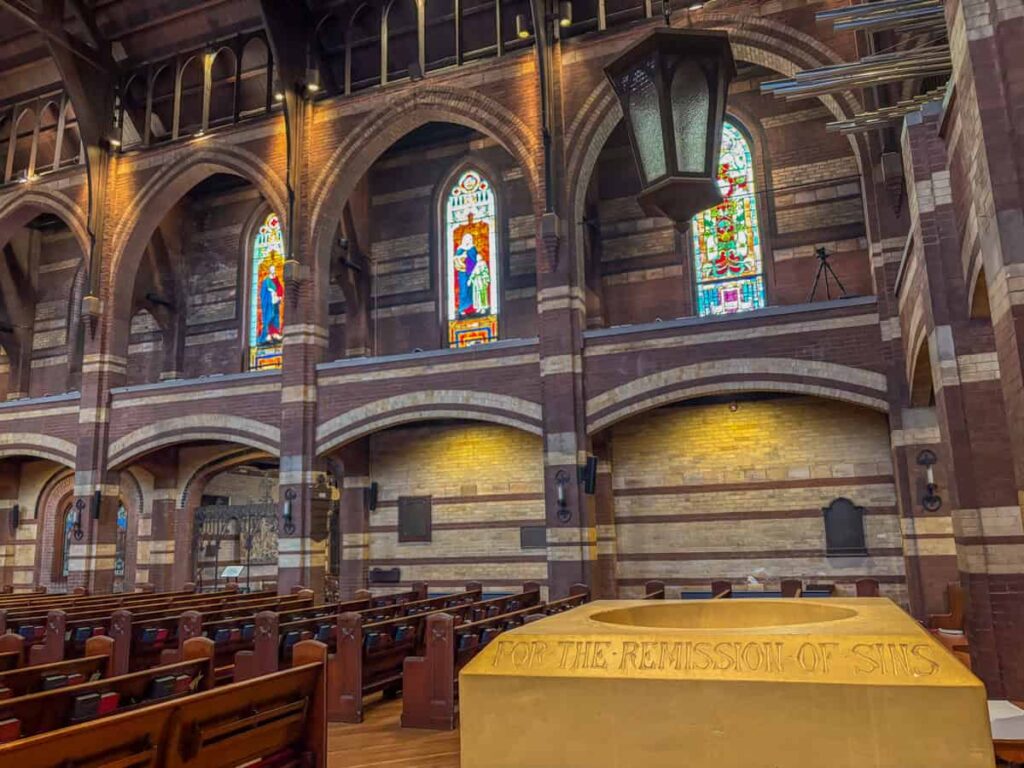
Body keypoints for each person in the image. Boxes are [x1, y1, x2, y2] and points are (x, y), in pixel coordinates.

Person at [258, 262, 284, 345]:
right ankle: (268, 334)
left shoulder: (276, 279)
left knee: (275, 317)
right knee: (269, 316)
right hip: (269, 303)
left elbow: (280, 288)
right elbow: (262, 293)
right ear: (269, 270)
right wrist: (270, 294)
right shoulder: (266, 281)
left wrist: (279, 296)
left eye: (274, 269)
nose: (273, 271)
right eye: (271, 269)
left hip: (275, 301)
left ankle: (275, 333)